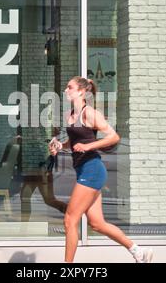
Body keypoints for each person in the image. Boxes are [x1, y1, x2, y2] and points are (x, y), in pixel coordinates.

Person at [49, 76, 153, 263]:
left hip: (92, 170)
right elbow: (73, 144)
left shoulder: (90, 113)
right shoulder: (70, 115)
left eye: (69, 87)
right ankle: (138, 251)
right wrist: (59, 146)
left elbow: (114, 137)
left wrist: (89, 147)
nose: (66, 90)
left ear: (81, 91)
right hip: (83, 170)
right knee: (97, 224)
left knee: (70, 220)